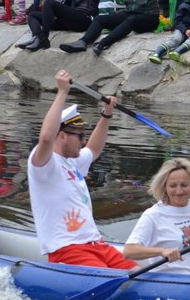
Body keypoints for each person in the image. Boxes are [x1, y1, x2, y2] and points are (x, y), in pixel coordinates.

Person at [28, 71, 137, 270]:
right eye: (79, 136)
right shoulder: (44, 164)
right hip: (67, 249)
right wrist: (62, 93)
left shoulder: (73, 162)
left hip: (98, 245)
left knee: (137, 273)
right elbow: (45, 138)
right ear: (61, 136)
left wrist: (106, 114)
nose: (84, 141)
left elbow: (94, 149)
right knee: (110, 279)